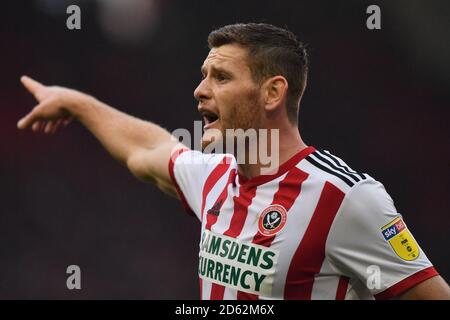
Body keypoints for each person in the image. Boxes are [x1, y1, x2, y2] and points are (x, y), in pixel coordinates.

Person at [17, 23, 450, 300]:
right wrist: (78, 104)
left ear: (272, 93)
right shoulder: (214, 178)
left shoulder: (347, 198)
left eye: (220, 77)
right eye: (203, 76)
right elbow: (145, 149)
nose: (200, 90)